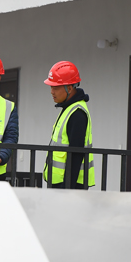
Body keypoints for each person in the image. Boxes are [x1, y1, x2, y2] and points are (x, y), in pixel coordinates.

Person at [43, 61, 95, 189]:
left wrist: (68, 190)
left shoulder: (77, 113)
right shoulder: (69, 108)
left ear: (70, 88)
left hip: (69, 186)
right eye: (51, 87)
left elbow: (76, 154)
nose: (51, 92)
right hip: (61, 183)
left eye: (55, 88)